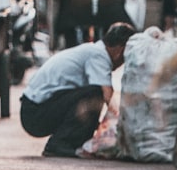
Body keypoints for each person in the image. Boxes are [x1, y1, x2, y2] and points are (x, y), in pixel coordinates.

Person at [20, 22, 137, 157]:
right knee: (94, 94)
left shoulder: (92, 50)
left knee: (90, 99)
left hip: (36, 109)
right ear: (120, 50)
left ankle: (74, 143)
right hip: (34, 113)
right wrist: (123, 124)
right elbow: (107, 95)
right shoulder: (99, 55)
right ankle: (60, 144)